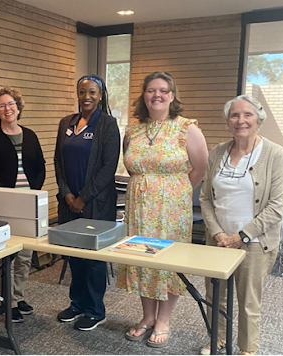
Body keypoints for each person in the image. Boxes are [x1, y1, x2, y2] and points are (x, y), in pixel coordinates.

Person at [116, 71, 208, 347]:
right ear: (144, 95)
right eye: (151, 90)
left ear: (172, 95)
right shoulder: (133, 129)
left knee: (168, 262)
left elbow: (200, 168)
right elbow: (131, 166)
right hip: (138, 208)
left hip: (172, 209)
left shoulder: (186, 127)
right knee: (143, 259)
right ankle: (146, 317)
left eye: (163, 90)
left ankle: (164, 319)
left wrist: (173, 193)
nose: (157, 95)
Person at [199, 95, 283, 356]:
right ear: (228, 122)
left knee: (248, 300)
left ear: (258, 119)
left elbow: (276, 206)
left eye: (247, 115)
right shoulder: (217, 152)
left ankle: (247, 349)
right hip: (218, 239)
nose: (241, 120)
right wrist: (217, 232)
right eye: (234, 115)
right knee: (216, 296)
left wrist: (241, 236)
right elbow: (206, 198)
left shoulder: (274, 153)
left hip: (255, 242)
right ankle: (218, 338)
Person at [54, 75, 120, 331]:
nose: (87, 97)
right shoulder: (66, 123)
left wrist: (83, 198)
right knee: (73, 254)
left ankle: (95, 310)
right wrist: (66, 192)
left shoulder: (108, 124)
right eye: (82, 92)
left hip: (96, 205)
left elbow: (108, 168)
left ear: (101, 94)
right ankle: (77, 304)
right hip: (69, 202)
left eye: (92, 92)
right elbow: (58, 160)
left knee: (93, 258)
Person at [0, 86, 46, 323]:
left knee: (25, 254)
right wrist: (10, 197)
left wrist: (33, 193)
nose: (7, 109)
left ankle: (18, 297)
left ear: (18, 107)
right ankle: (7, 301)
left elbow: (40, 167)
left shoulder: (30, 135)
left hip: (29, 203)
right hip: (5, 205)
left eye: (11, 104)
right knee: (7, 255)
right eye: (2, 105)